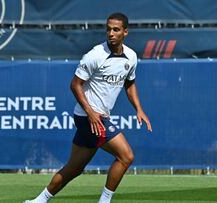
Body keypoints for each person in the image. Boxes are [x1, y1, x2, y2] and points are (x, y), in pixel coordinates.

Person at [24, 12, 152, 203]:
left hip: (96, 117)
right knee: (126, 156)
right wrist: (91, 113)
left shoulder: (131, 57)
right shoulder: (95, 55)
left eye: (116, 30)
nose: (111, 33)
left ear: (125, 32)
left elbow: (130, 84)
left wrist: (139, 109)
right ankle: (104, 201)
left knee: (74, 168)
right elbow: (75, 84)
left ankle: (38, 201)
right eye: (108, 29)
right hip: (88, 117)